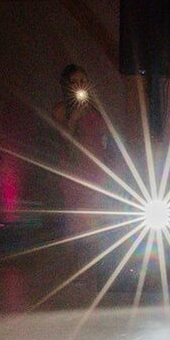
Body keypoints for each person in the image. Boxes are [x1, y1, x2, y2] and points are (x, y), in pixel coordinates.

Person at [51, 64, 113, 236]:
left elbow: (105, 134)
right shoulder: (61, 109)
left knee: (96, 209)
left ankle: (94, 244)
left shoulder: (94, 107)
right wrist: (74, 118)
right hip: (74, 165)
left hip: (96, 164)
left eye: (83, 81)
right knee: (76, 214)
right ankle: (74, 245)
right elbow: (63, 137)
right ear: (67, 84)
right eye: (75, 81)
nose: (80, 85)